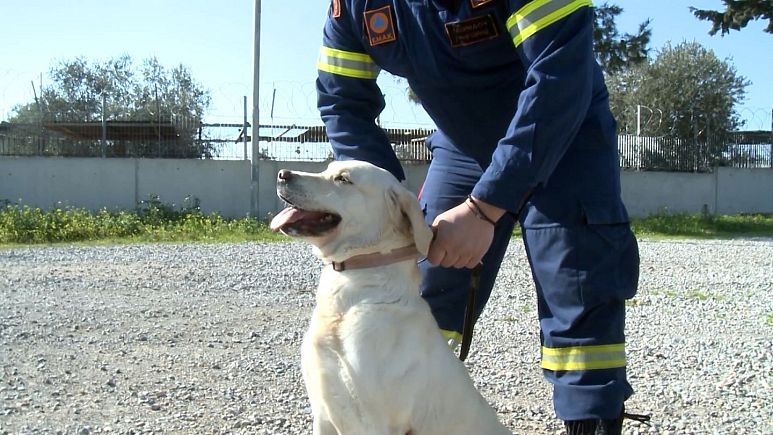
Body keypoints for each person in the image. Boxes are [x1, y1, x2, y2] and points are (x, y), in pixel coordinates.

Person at [316, 1, 644, 433]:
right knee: (423, 289)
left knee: (578, 288)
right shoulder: (355, 8)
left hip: (564, 134)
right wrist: (386, 205)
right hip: (463, 144)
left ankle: (591, 422)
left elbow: (558, 77)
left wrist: (484, 207)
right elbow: (344, 103)